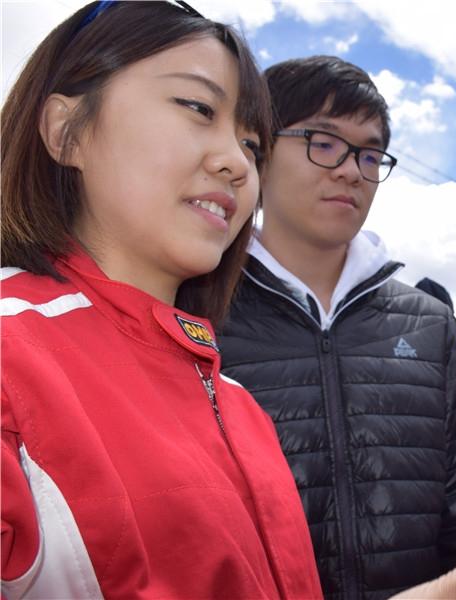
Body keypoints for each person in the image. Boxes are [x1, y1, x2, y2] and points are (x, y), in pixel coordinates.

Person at [0, 2, 322, 597]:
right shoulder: (10, 357)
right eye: (198, 108)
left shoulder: (240, 402)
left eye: (253, 145)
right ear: (64, 130)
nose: (236, 164)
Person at [217, 55, 456, 599]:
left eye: (370, 154)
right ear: (258, 149)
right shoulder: (198, 313)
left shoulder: (427, 324)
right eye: (323, 142)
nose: (351, 170)